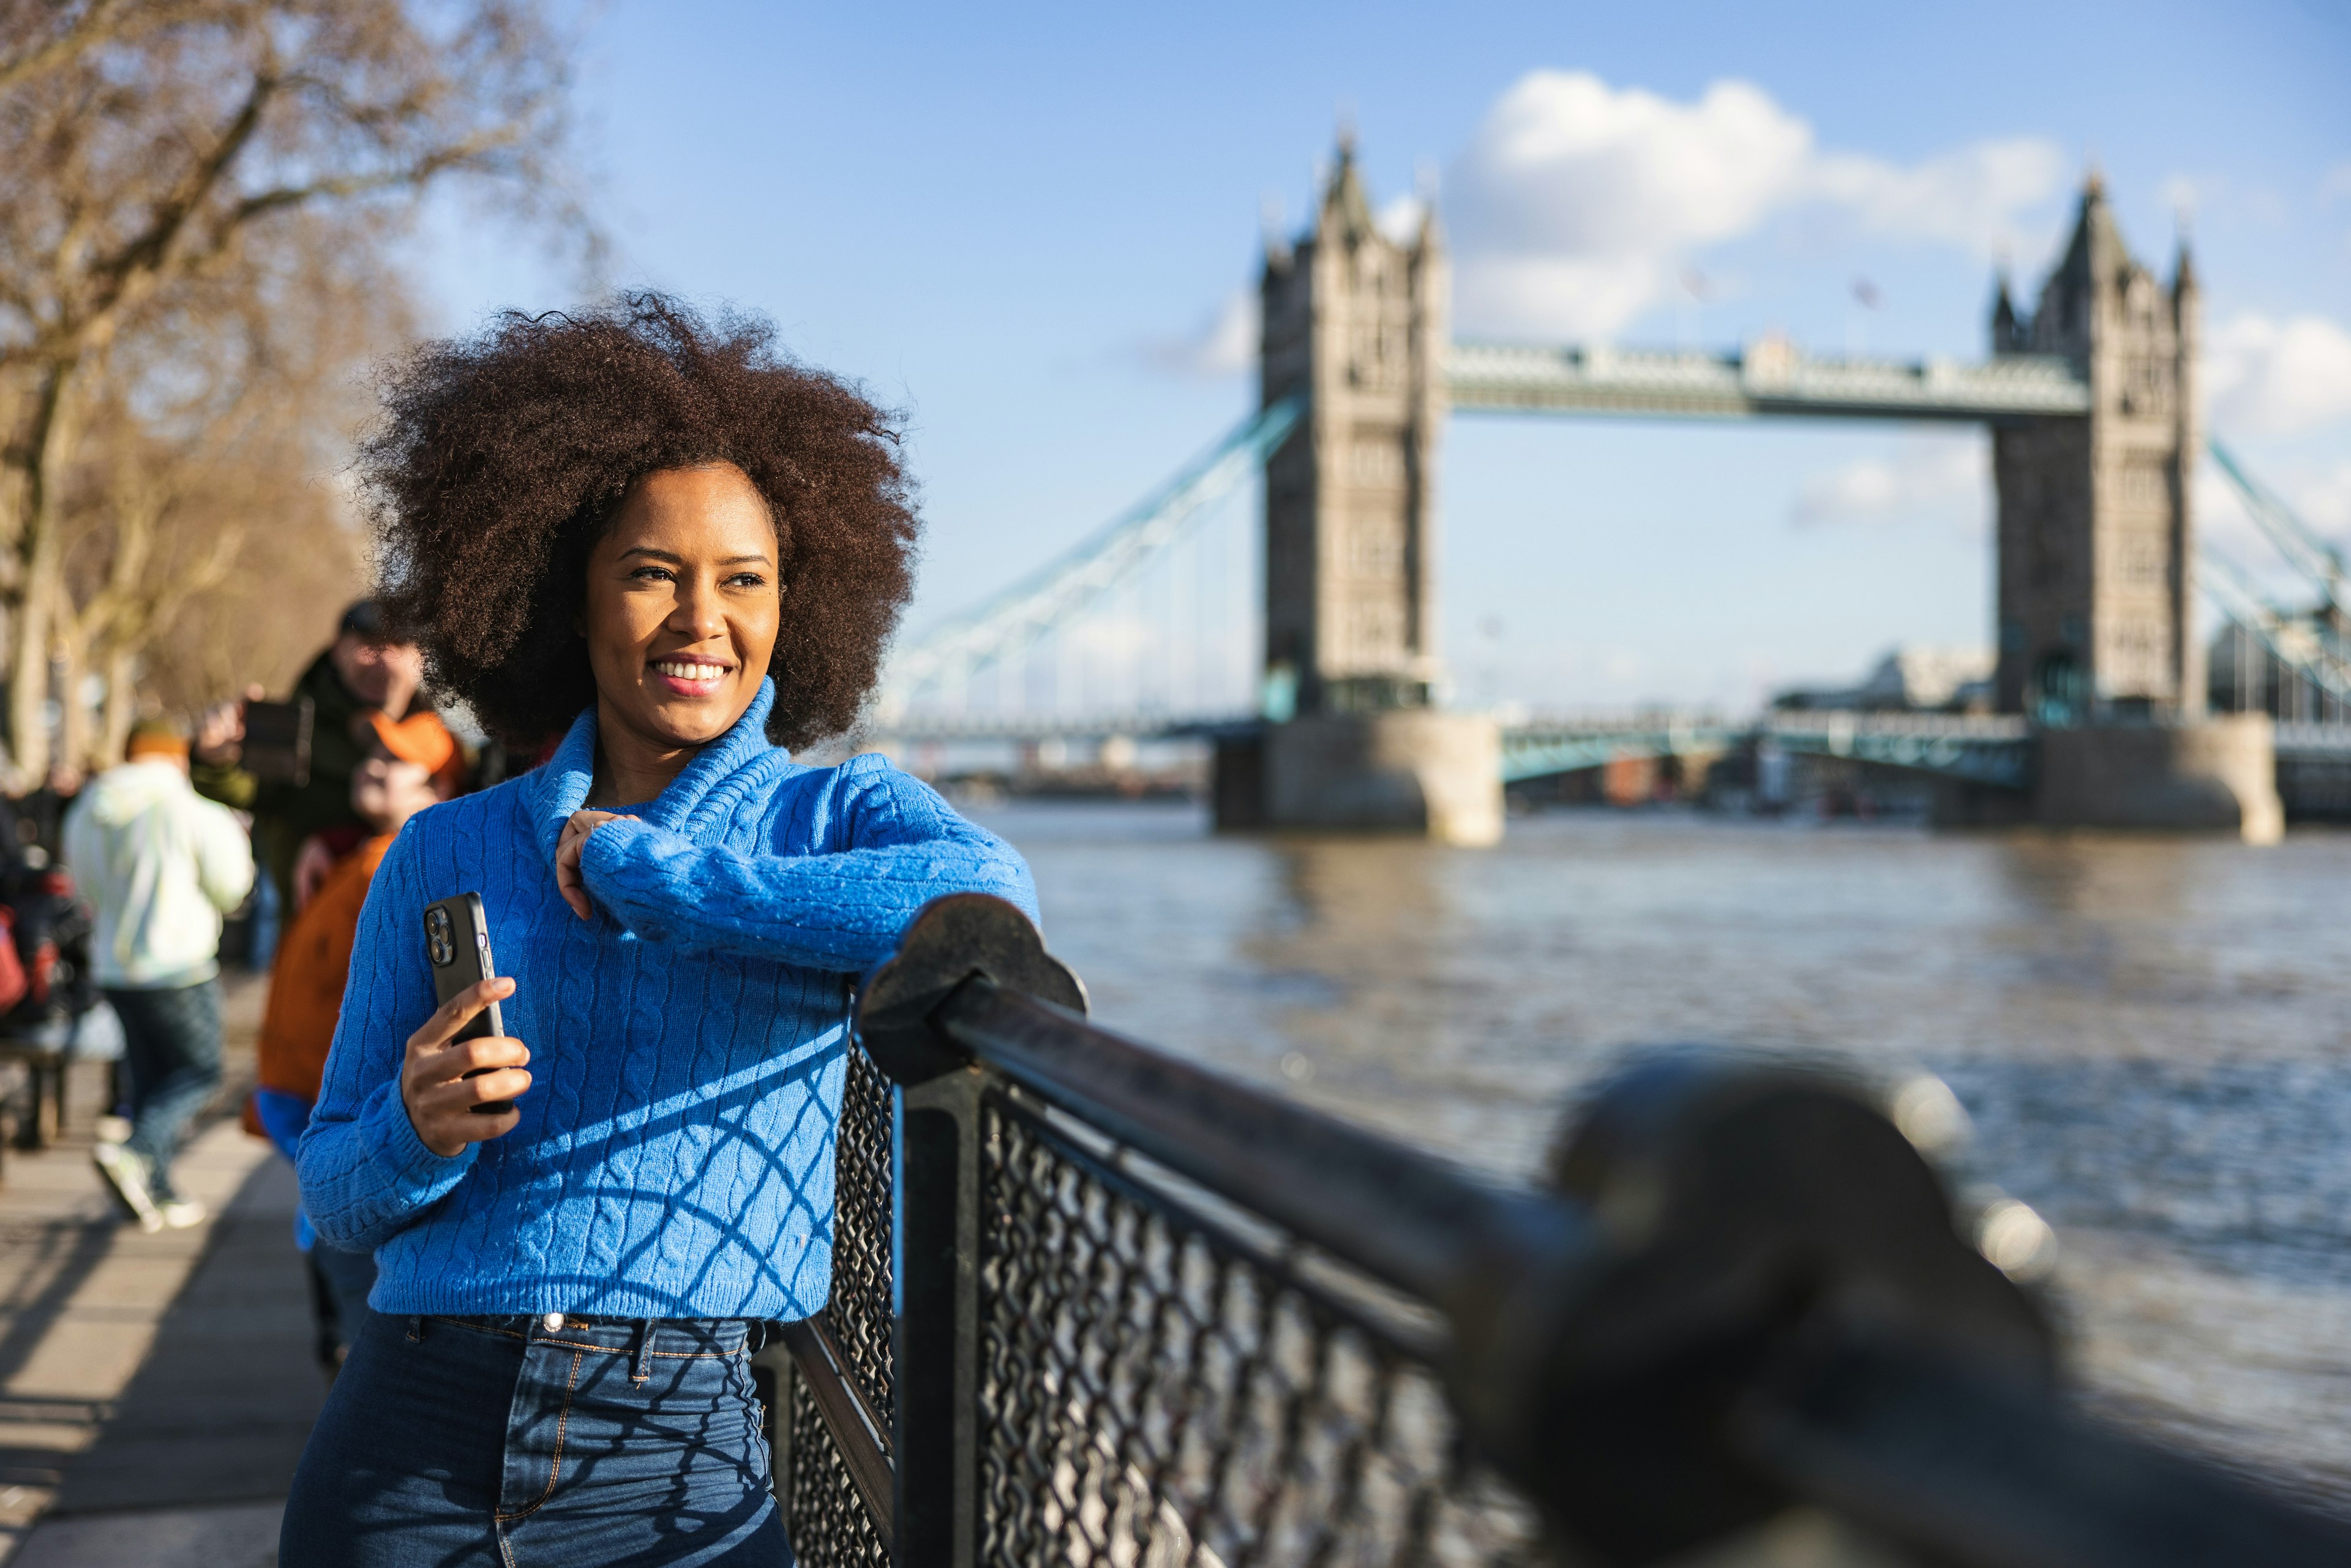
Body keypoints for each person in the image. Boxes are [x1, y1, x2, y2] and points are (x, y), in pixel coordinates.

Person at [282, 294, 1037, 1566]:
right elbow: (333, 1195)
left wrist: (660, 878)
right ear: (568, 597)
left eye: (746, 581)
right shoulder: (443, 849)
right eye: (651, 574)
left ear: (797, 607)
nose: (703, 620)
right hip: (410, 1427)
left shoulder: (835, 810)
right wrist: (413, 1129)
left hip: (678, 1456)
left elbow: (989, 894)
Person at [249, 710, 464, 1376]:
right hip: (310, 1107)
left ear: (438, 788)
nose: (372, 762)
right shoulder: (361, 855)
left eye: (396, 759)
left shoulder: (407, 868)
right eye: (371, 749)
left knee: (352, 1294)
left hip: (352, 1118)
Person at [64, 721, 255, 1231]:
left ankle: (158, 1187)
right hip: (178, 963)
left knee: (150, 1080)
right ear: (176, 757)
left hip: (113, 963)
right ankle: (134, 1152)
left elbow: (82, 886)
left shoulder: (89, 808)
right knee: (201, 1072)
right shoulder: (189, 809)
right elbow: (233, 886)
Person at [193, 599, 436, 915]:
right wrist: (216, 759)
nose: (384, 661)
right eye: (369, 645)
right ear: (337, 650)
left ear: (421, 658)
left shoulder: (444, 742)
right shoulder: (296, 726)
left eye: (399, 645)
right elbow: (252, 790)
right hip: (313, 930)